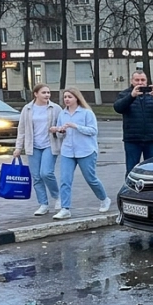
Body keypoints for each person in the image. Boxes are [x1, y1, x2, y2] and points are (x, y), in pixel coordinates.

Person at [51, 87, 111, 220]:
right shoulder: (63, 114)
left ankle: (104, 199)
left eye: (69, 97)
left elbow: (93, 131)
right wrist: (59, 131)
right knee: (65, 180)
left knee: (91, 178)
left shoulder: (86, 113)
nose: (67, 99)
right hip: (67, 151)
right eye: (65, 97)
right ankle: (65, 208)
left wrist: (76, 126)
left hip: (86, 151)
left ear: (76, 98)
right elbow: (61, 135)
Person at [12, 83, 61, 215]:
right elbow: (21, 130)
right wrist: (18, 147)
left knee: (46, 173)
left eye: (48, 93)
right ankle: (43, 204)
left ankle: (57, 197)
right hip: (33, 146)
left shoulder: (55, 108)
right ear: (36, 94)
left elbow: (62, 126)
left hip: (49, 145)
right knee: (37, 177)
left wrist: (58, 130)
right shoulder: (27, 109)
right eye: (44, 93)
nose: (47, 95)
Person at [113, 70, 153, 175]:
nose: (140, 83)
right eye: (137, 80)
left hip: (152, 139)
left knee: (152, 170)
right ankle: (131, 191)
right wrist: (131, 96)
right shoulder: (125, 94)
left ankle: (151, 190)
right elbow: (118, 108)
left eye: (143, 80)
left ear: (147, 81)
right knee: (131, 170)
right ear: (132, 81)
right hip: (132, 139)